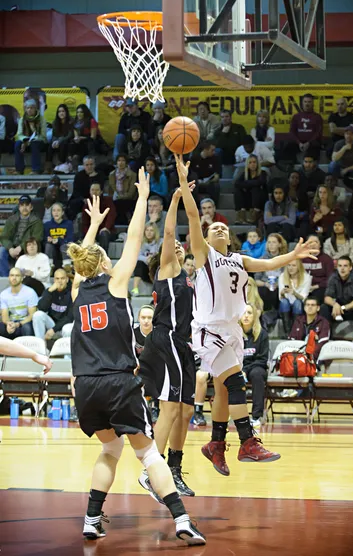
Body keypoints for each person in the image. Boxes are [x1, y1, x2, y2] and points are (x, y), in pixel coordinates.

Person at [68, 184, 205, 544]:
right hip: (117, 381)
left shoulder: (76, 291)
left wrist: (94, 225)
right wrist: (143, 198)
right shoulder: (115, 284)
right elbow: (132, 237)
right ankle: (182, 520)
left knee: (110, 449)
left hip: (84, 385)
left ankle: (91, 518)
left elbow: (80, 262)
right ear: (102, 263)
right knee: (148, 454)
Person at [175, 152, 318, 474]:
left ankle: (215, 443)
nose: (220, 229)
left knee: (225, 389)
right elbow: (194, 218)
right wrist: (184, 183)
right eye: (216, 228)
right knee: (236, 382)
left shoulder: (239, 259)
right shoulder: (204, 255)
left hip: (231, 330)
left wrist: (293, 254)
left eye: (224, 228)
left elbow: (268, 264)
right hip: (209, 329)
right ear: (208, 237)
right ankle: (248, 442)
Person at [139, 183, 198, 498]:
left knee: (186, 411)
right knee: (170, 407)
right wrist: (175, 199)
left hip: (183, 345)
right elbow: (169, 232)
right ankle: (152, 470)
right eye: (171, 248)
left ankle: (174, 470)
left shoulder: (186, 277)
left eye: (178, 248)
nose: (176, 248)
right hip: (166, 341)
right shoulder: (168, 270)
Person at [321, 256, 353, 340]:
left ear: (350, 267)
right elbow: (327, 297)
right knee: (324, 308)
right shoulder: (333, 277)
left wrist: (343, 307)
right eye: (340, 266)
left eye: (345, 266)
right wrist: (335, 304)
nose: (342, 269)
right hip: (337, 311)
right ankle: (325, 338)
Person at [240, 304, 269, 428]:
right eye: (243, 313)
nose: (246, 316)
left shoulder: (262, 334)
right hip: (239, 367)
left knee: (257, 374)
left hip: (256, 366)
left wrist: (246, 370)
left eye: (249, 313)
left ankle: (256, 416)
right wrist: (242, 370)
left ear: (254, 316)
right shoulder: (235, 334)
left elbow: (262, 359)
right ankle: (237, 416)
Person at [0, 195, 43, 277]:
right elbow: (4, 237)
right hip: (12, 247)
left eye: (27, 205)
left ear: (31, 207)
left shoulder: (37, 221)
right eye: (22, 205)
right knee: (0, 252)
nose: (24, 208)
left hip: (27, 247)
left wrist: (21, 247)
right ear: (19, 207)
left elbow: (37, 238)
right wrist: (10, 248)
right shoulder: (11, 219)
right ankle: (6, 278)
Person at [32, 268, 73, 343]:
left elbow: (69, 318)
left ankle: (67, 354)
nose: (60, 281)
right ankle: (41, 349)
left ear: (67, 280)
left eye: (62, 278)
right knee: (37, 315)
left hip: (65, 327)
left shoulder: (72, 293)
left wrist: (54, 329)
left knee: (68, 329)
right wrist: (49, 292)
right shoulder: (50, 291)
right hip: (52, 325)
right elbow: (41, 308)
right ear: (54, 280)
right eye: (57, 279)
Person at [289, 296, 330, 361]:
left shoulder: (324, 323)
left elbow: (322, 343)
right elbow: (292, 340)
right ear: (304, 308)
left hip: (316, 358)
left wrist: (309, 356)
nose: (310, 307)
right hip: (297, 356)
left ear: (318, 308)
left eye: (313, 305)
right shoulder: (298, 321)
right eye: (308, 305)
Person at [0, 268, 38, 338]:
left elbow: (32, 315)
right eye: (12, 275)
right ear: (9, 277)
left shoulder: (30, 292)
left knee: (27, 328)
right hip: (11, 322)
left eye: (17, 276)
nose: (14, 278)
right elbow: (4, 316)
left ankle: (28, 348)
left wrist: (18, 324)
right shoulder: (3, 294)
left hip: (24, 322)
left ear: (22, 278)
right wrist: (9, 324)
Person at [285, 94, 323, 163]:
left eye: (309, 102)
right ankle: (291, 165)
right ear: (302, 103)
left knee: (315, 147)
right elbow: (292, 131)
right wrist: (299, 143)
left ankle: (311, 166)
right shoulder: (296, 116)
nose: (307, 104)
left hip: (312, 144)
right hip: (298, 143)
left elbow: (318, 133)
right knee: (287, 147)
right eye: (305, 102)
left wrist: (308, 143)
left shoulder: (317, 117)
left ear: (312, 103)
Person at [254, 233, 287, 313]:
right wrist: (266, 284)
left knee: (275, 292)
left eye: (274, 242)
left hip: (280, 287)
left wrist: (278, 284)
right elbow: (256, 280)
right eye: (269, 242)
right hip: (264, 286)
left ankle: (275, 316)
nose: (271, 245)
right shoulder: (262, 260)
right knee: (263, 291)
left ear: (279, 244)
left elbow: (288, 278)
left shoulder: (285, 259)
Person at [278, 260, 312, 336]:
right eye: (289, 265)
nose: (291, 268)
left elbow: (304, 298)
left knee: (297, 303)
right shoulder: (282, 276)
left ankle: (296, 331)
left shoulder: (307, 278)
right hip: (286, 305)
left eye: (294, 265)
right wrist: (282, 293)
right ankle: (288, 333)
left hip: (300, 305)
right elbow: (280, 297)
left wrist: (294, 293)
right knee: (284, 302)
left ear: (299, 267)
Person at [67, 156, 105, 220]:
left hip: (96, 197)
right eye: (87, 165)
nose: (89, 167)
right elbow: (76, 192)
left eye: (91, 164)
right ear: (83, 166)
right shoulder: (79, 175)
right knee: (74, 203)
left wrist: (92, 177)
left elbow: (100, 189)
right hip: (81, 198)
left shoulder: (100, 175)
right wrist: (83, 199)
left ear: (94, 165)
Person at [14, 99, 47, 174]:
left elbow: (43, 135)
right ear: (25, 109)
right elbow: (19, 134)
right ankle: (19, 170)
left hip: (39, 141)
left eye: (32, 108)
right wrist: (25, 140)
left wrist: (29, 141)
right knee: (17, 144)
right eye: (27, 108)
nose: (29, 110)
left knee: (34, 144)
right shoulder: (22, 120)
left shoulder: (41, 119)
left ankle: (36, 169)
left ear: (35, 108)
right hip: (25, 142)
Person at [82, 182, 116, 254]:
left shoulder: (108, 201)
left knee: (104, 234)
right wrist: (90, 233)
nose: (94, 192)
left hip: (106, 230)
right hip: (92, 230)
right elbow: (85, 222)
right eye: (92, 190)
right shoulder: (87, 204)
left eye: (97, 190)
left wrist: (106, 227)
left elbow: (111, 215)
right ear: (90, 192)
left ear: (101, 191)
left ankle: (103, 257)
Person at [234, 154, 269, 224]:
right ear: (247, 164)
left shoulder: (262, 173)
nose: (252, 164)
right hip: (249, 200)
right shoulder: (245, 174)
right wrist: (252, 183)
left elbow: (260, 182)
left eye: (254, 162)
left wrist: (246, 184)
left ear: (257, 163)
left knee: (255, 188)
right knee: (237, 190)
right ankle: (241, 214)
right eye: (250, 162)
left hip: (259, 201)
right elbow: (237, 183)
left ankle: (254, 213)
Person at [302, 235, 335, 305]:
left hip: (320, 287)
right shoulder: (301, 258)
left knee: (317, 297)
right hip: (303, 286)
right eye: (310, 242)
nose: (313, 244)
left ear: (320, 245)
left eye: (316, 242)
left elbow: (331, 279)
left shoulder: (327, 259)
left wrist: (315, 286)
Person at [131, 223, 162, 296]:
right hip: (145, 270)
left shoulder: (160, 242)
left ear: (155, 232)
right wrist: (146, 259)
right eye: (147, 230)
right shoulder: (140, 242)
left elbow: (163, 255)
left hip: (156, 269)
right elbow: (136, 256)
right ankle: (135, 289)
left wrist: (153, 259)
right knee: (139, 263)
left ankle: (158, 290)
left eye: (151, 230)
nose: (149, 232)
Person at [190, 141, 222, 206]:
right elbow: (190, 173)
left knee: (216, 186)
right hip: (196, 183)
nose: (214, 152)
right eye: (212, 150)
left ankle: (214, 206)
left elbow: (217, 176)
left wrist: (210, 181)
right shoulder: (194, 158)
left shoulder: (215, 159)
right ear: (205, 150)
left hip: (209, 182)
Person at [69, 104, 100, 169]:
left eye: (81, 112)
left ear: (85, 113)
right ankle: (72, 160)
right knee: (72, 143)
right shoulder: (75, 123)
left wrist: (81, 138)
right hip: (81, 142)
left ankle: (77, 160)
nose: (79, 114)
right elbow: (76, 137)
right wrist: (77, 139)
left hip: (91, 141)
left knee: (86, 144)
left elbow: (93, 137)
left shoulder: (91, 121)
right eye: (77, 112)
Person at [108, 154, 137, 225]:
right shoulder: (112, 175)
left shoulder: (132, 175)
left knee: (121, 204)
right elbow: (111, 191)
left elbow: (131, 193)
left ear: (126, 162)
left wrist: (121, 197)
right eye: (119, 161)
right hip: (116, 198)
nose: (121, 163)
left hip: (129, 199)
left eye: (123, 160)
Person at [44, 203, 74, 269]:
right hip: (53, 249)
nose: (56, 213)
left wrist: (58, 240)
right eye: (54, 210)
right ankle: (49, 267)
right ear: (51, 212)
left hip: (64, 248)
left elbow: (70, 239)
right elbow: (44, 239)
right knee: (48, 245)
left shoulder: (69, 224)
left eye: (58, 210)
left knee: (64, 246)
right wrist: (48, 239)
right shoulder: (47, 225)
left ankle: (67, 266)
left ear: (62, 212)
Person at [47, 104, 74, 173]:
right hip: (57, 141)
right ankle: (48, 167)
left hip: (67, 141)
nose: (61, 113)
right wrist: (54, 142)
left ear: (66, 112)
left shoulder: (71, 121)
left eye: (63, 111)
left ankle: (61, 164)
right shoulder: (55, 122)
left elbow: (70, 135)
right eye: (59, 111)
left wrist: (59, 141)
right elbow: (53, 135)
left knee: (63, 143)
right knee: (50, 146)